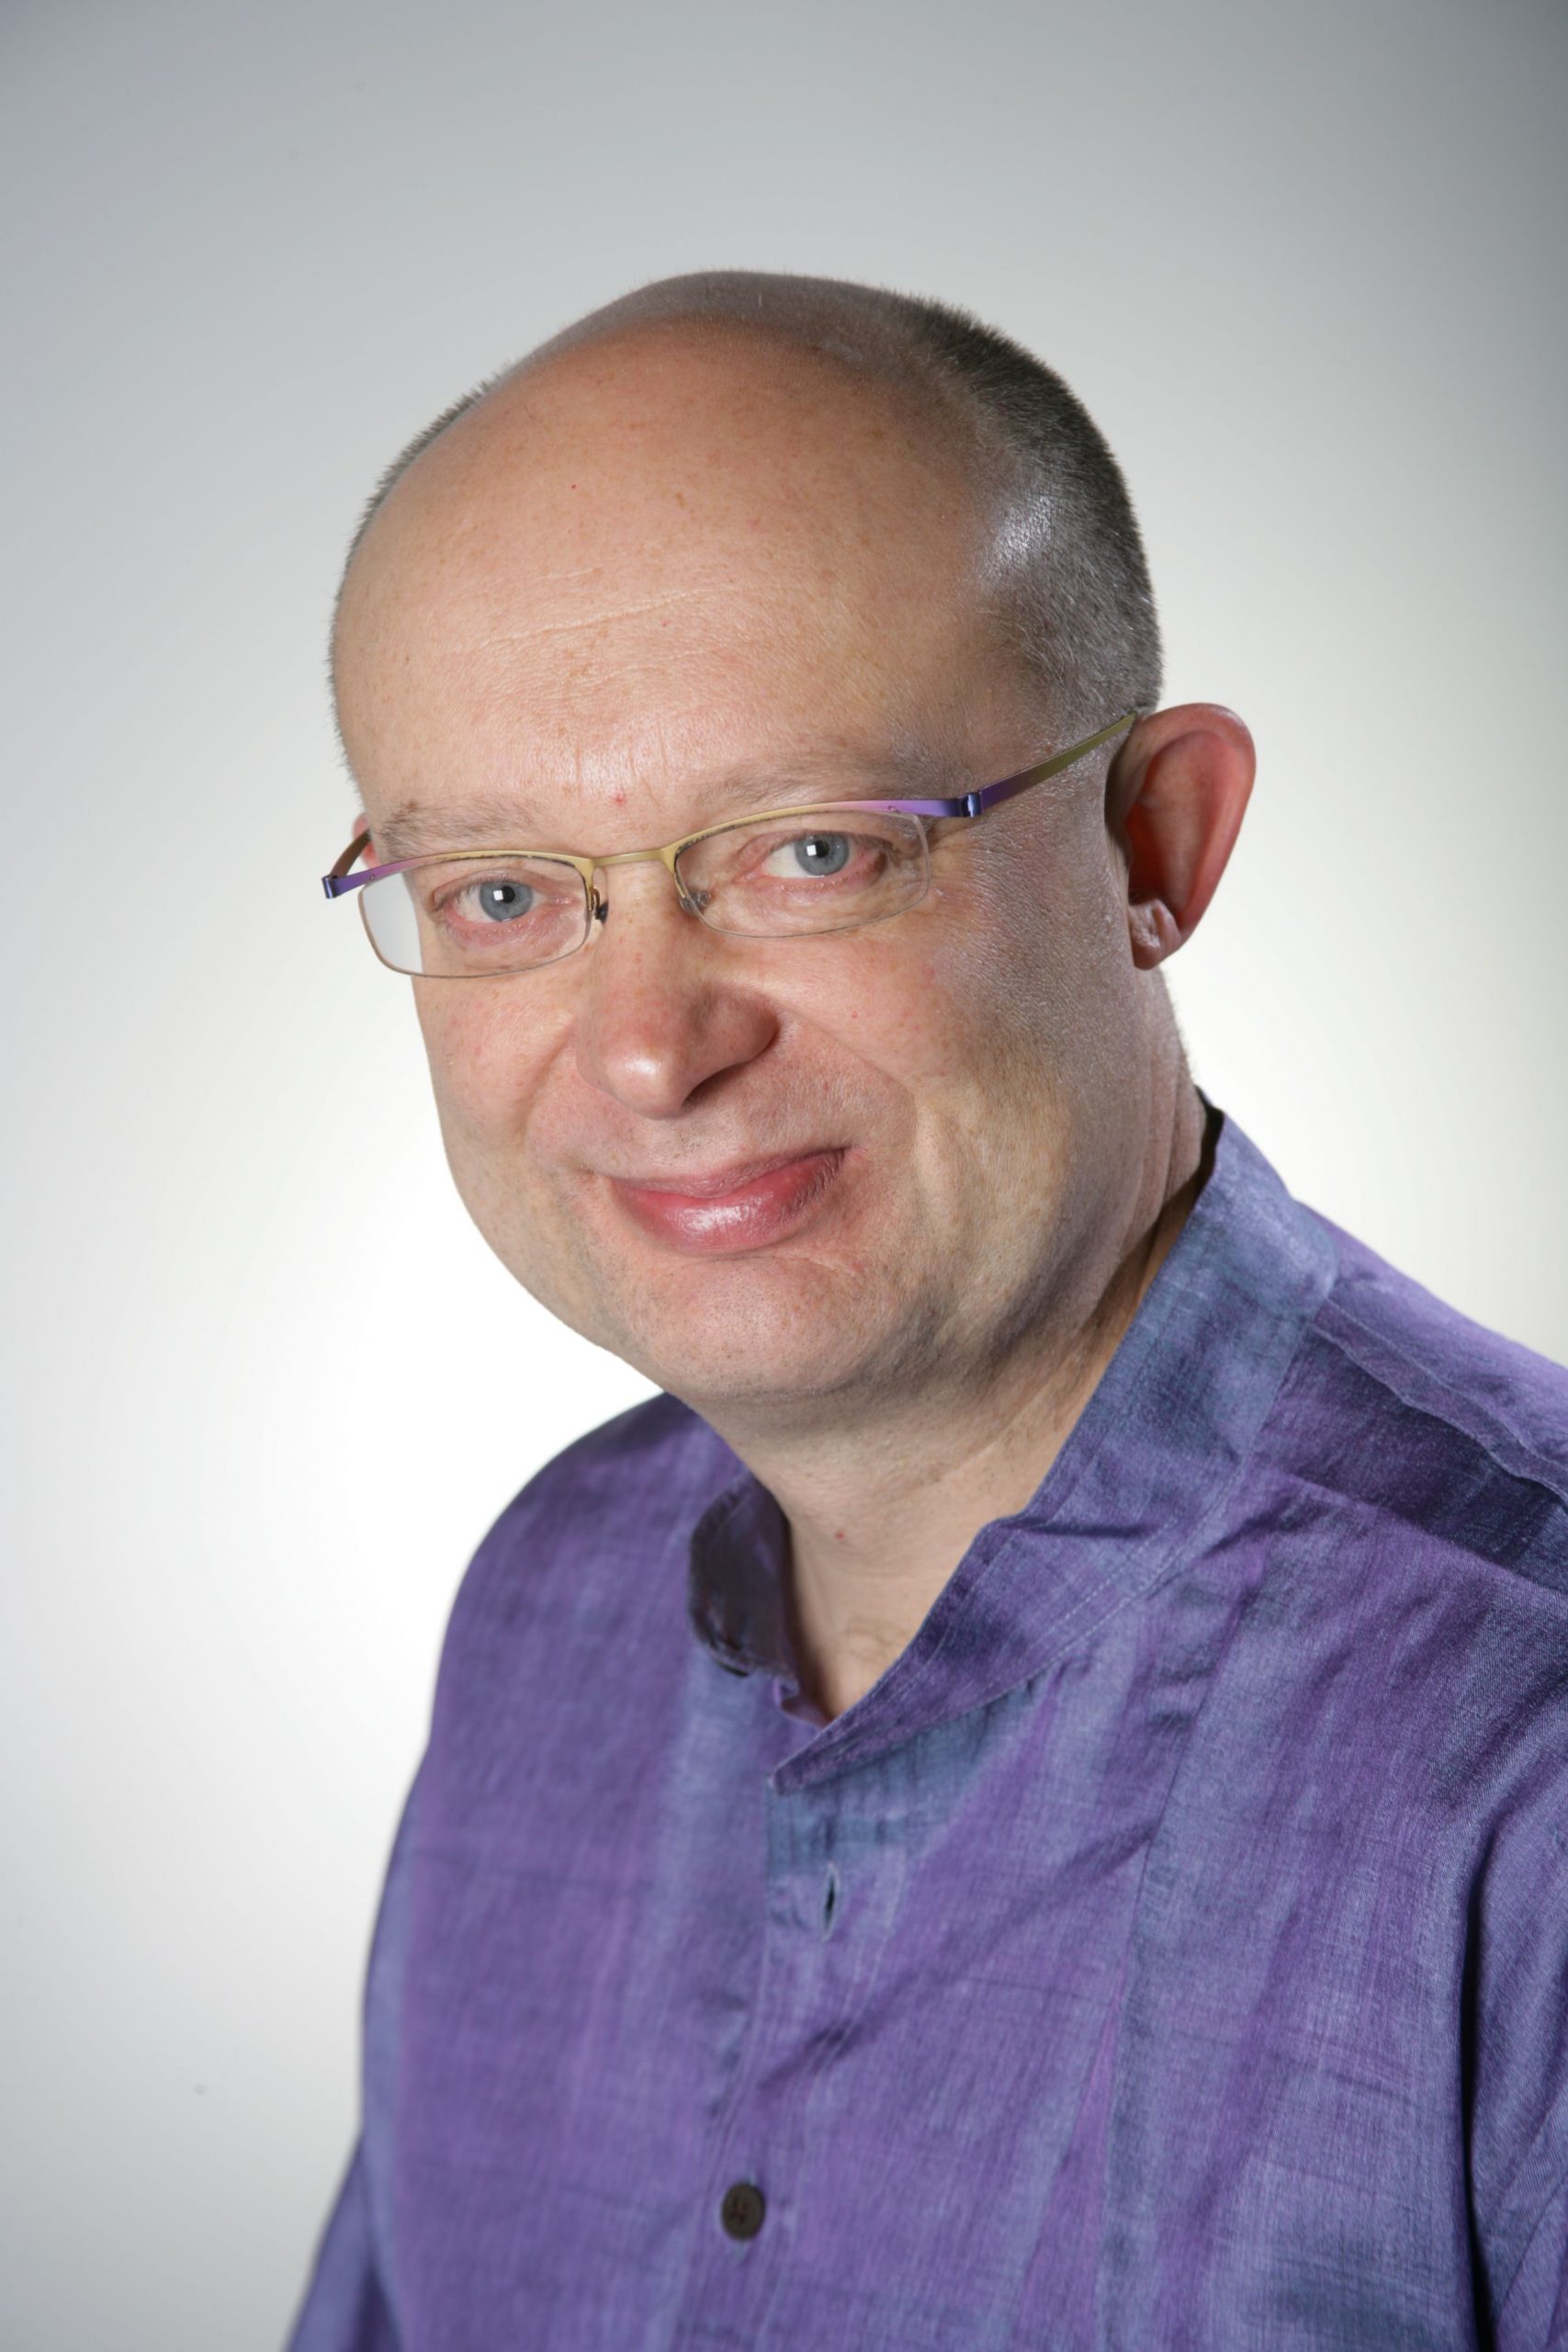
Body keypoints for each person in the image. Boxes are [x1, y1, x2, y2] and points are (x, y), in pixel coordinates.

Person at [288, 272, 1568, 2351]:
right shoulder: (547, 1611)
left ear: (1156, 840)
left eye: (810, 850)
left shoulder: (1527, 1739)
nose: (648, 1049)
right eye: (502, 892)